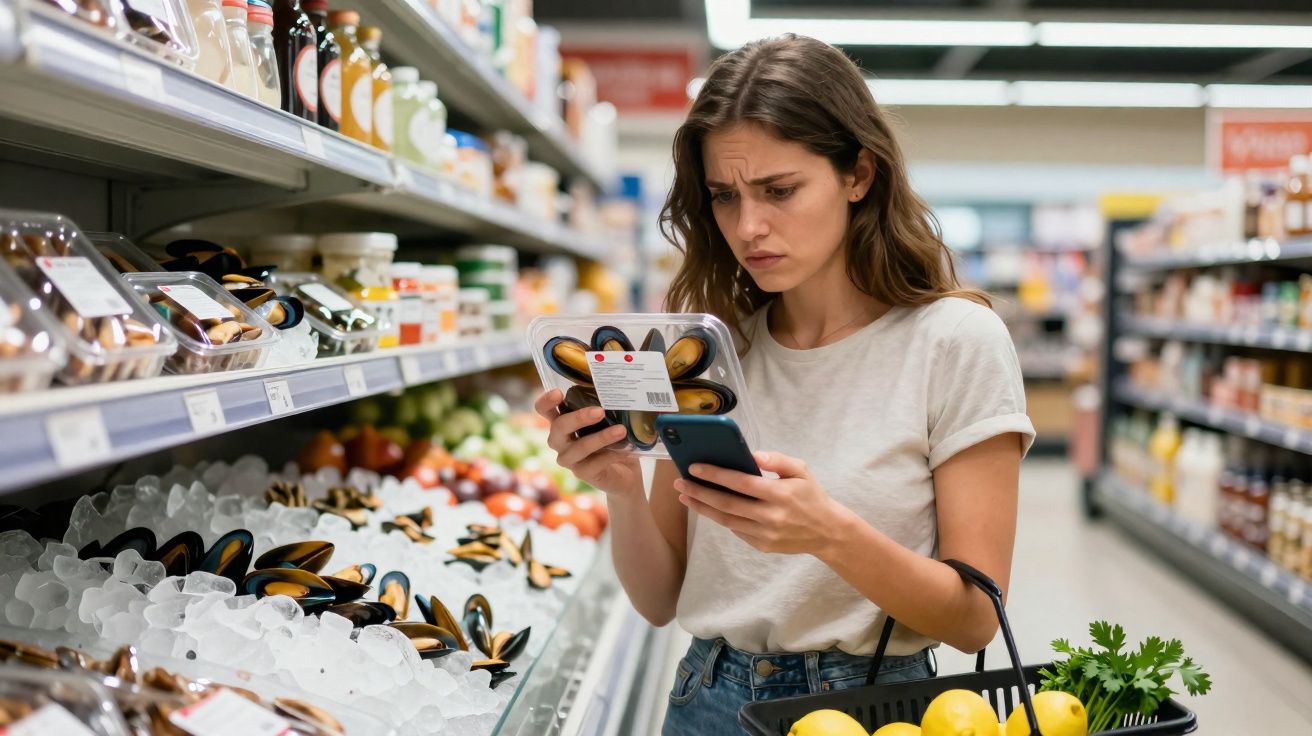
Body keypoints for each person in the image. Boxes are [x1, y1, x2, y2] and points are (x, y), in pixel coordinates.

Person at [533, 34, 1034, 734]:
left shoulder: (953, 341)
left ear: (858, 174)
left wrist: (827, 534)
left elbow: (977, 620)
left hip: (875, 707)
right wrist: (620, 485)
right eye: (723, 196)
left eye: (780, 190)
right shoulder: (710, 352)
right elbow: (659, 599)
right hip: (706, 700)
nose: (749, 226)